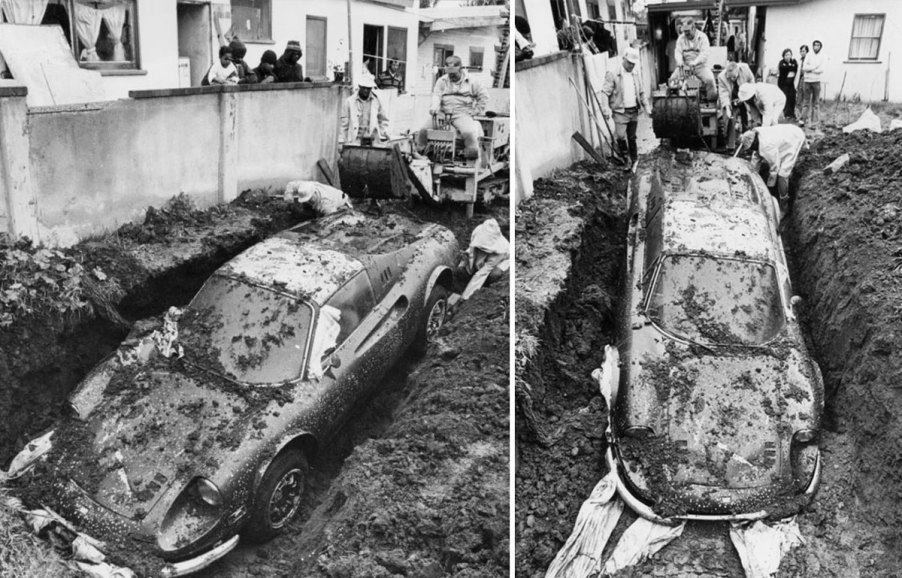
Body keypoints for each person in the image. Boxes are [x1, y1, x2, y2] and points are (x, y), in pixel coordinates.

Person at [421, 55, 489, 158]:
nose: (451, 76)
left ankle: (471, 155)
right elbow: (436, 95)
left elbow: (484, 97)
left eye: (453, 73)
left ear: (460, 69)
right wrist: (434, 106)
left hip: (461, 114)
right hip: (442, 113)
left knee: (469, 132)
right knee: (424, 130)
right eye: (449, 73)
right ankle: (420, 153)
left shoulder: (473, 81)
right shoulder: (442, 81)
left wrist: (476, 111)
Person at [739, 124, 806, 216]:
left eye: (751, 148)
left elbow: (775, 168)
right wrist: (751, 178)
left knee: (783, 174)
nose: (751, 150)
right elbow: (755, 162)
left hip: (794, 138)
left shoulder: (766, 146)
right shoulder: (757, 136)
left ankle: (784, 205)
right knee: (776, 165)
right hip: (788, 131)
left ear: (754, 142)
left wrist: (769, 188)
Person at [601, 47, 650, 171]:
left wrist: (647, 108)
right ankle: (626, 160)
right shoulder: (613, 74)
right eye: (629, 63)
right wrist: (605, 107)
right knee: (621, 136)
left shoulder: (636, 73)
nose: (631, 66)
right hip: (620, 112)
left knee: (632, 137)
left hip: (633, 110)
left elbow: (642, 92)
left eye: (633, 64)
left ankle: (634, 159)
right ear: (623, 59)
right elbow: (605, 92)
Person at [460, 218, 509, 304]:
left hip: (503, 260)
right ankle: (466, 282)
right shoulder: (479, 232)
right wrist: (468, 256)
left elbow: (481, 274)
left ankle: (485, 286)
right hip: (487, 254)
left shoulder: (500, 251)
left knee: (494, 274)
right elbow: (473, 248)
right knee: (464, 269)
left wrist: (464, 298)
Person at [670, 17, 717, 100]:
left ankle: (711, 101)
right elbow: (678, 51)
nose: (686, 34)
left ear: (693, 28)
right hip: (685, 66)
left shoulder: (703, 37)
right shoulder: (681, 38)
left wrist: (695, 62)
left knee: (710, 80)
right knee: (672, 80)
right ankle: (678, 102)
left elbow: (704, 53)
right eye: (684, 31)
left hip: (699, 66)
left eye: (688, 31)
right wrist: (679, 61)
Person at [339, 76, 390, 149]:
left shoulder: (377, 100)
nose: (366, 91)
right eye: (364, 88)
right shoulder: (349, 102)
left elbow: (383, 120)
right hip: (356, 140)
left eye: (368, 88)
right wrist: (341, 141)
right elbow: (344, 124)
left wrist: (384, 133)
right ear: (360, 86)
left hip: (372, 140)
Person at [282, 180, 352, 217]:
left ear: (314, 193)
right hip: (331, 197)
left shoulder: (325, 203)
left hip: (342, 204)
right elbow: (291, 184)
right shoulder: (305, 186)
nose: (308, 201)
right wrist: (288, 194)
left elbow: (332, 218)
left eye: (310, 198)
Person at [800, 40, 825, 128]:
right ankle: (802, 120)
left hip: (816, 82)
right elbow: (804, 68)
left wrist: (810, 69)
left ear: (820, 47)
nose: (816, 47)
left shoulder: (822, 56)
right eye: (815, 45)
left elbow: (821, 70)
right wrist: (814, 67)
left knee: (816, 103)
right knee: (806, 102)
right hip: (807, 81)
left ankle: (814, 123)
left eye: (818, 45)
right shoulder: (808, 55)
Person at [777, 49, 798, 120]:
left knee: (792, 97)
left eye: (789, 54)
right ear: (783, 56)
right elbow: (782, 68)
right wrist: (790, 67)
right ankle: (786, 114)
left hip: (792, 84)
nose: (787, 56)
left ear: (791, 55)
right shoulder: (781, 62)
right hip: (783, 84)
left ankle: (792, 113)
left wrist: (790, 66)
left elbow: (795, 67)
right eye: (786, 55)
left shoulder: (794, 61)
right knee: (785, 97)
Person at [796, 45, 809, 120]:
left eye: (803, 51)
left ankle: (805, 117)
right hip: (800, 79)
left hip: (806, 79)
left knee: (805, 98)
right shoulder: (800, 60)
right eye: (801, 51)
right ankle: (800, 115)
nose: (802, 52)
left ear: (807, 52)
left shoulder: (808, 60)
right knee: (799, 98)